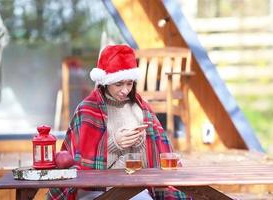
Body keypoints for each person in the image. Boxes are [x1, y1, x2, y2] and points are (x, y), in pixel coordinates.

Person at [46, 45, 189, 200]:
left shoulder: (141, 109)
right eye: (118, 84)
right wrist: (115, 143)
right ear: (105, 81)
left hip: (134, 187)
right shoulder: (87, 110)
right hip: (96, 190)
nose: (125, 90)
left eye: (129, 83)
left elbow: (157, 154)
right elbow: (81, 167)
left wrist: (143, 146)